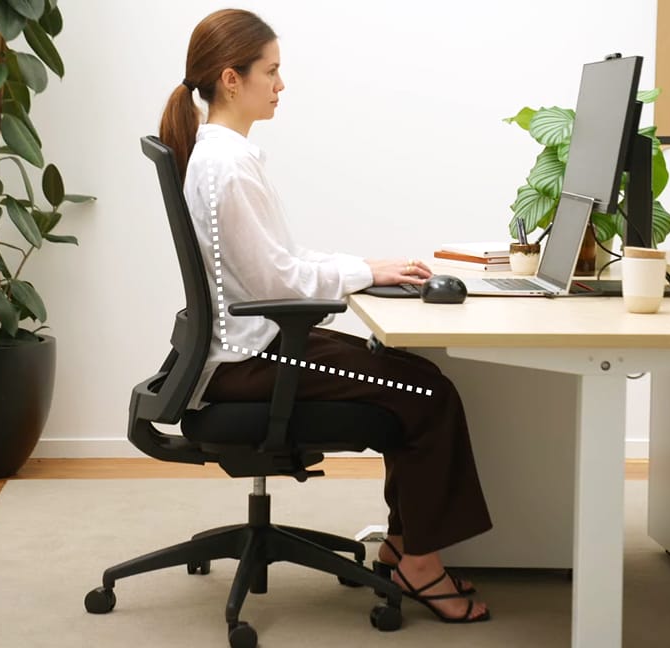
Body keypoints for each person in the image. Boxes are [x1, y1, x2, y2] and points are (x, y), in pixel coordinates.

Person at [159, 8, 492, 624]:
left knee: (410, 377)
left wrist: (369, 265)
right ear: (232, 79)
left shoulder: (224, 156)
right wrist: (366, 273)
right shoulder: (227, 165)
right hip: (256, 361)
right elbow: (278, 281)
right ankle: (419, 561)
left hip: (252, 350)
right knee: (424, 390)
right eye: (272, 72)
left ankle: (403, 544)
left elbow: (277, 262)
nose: (281, 85)